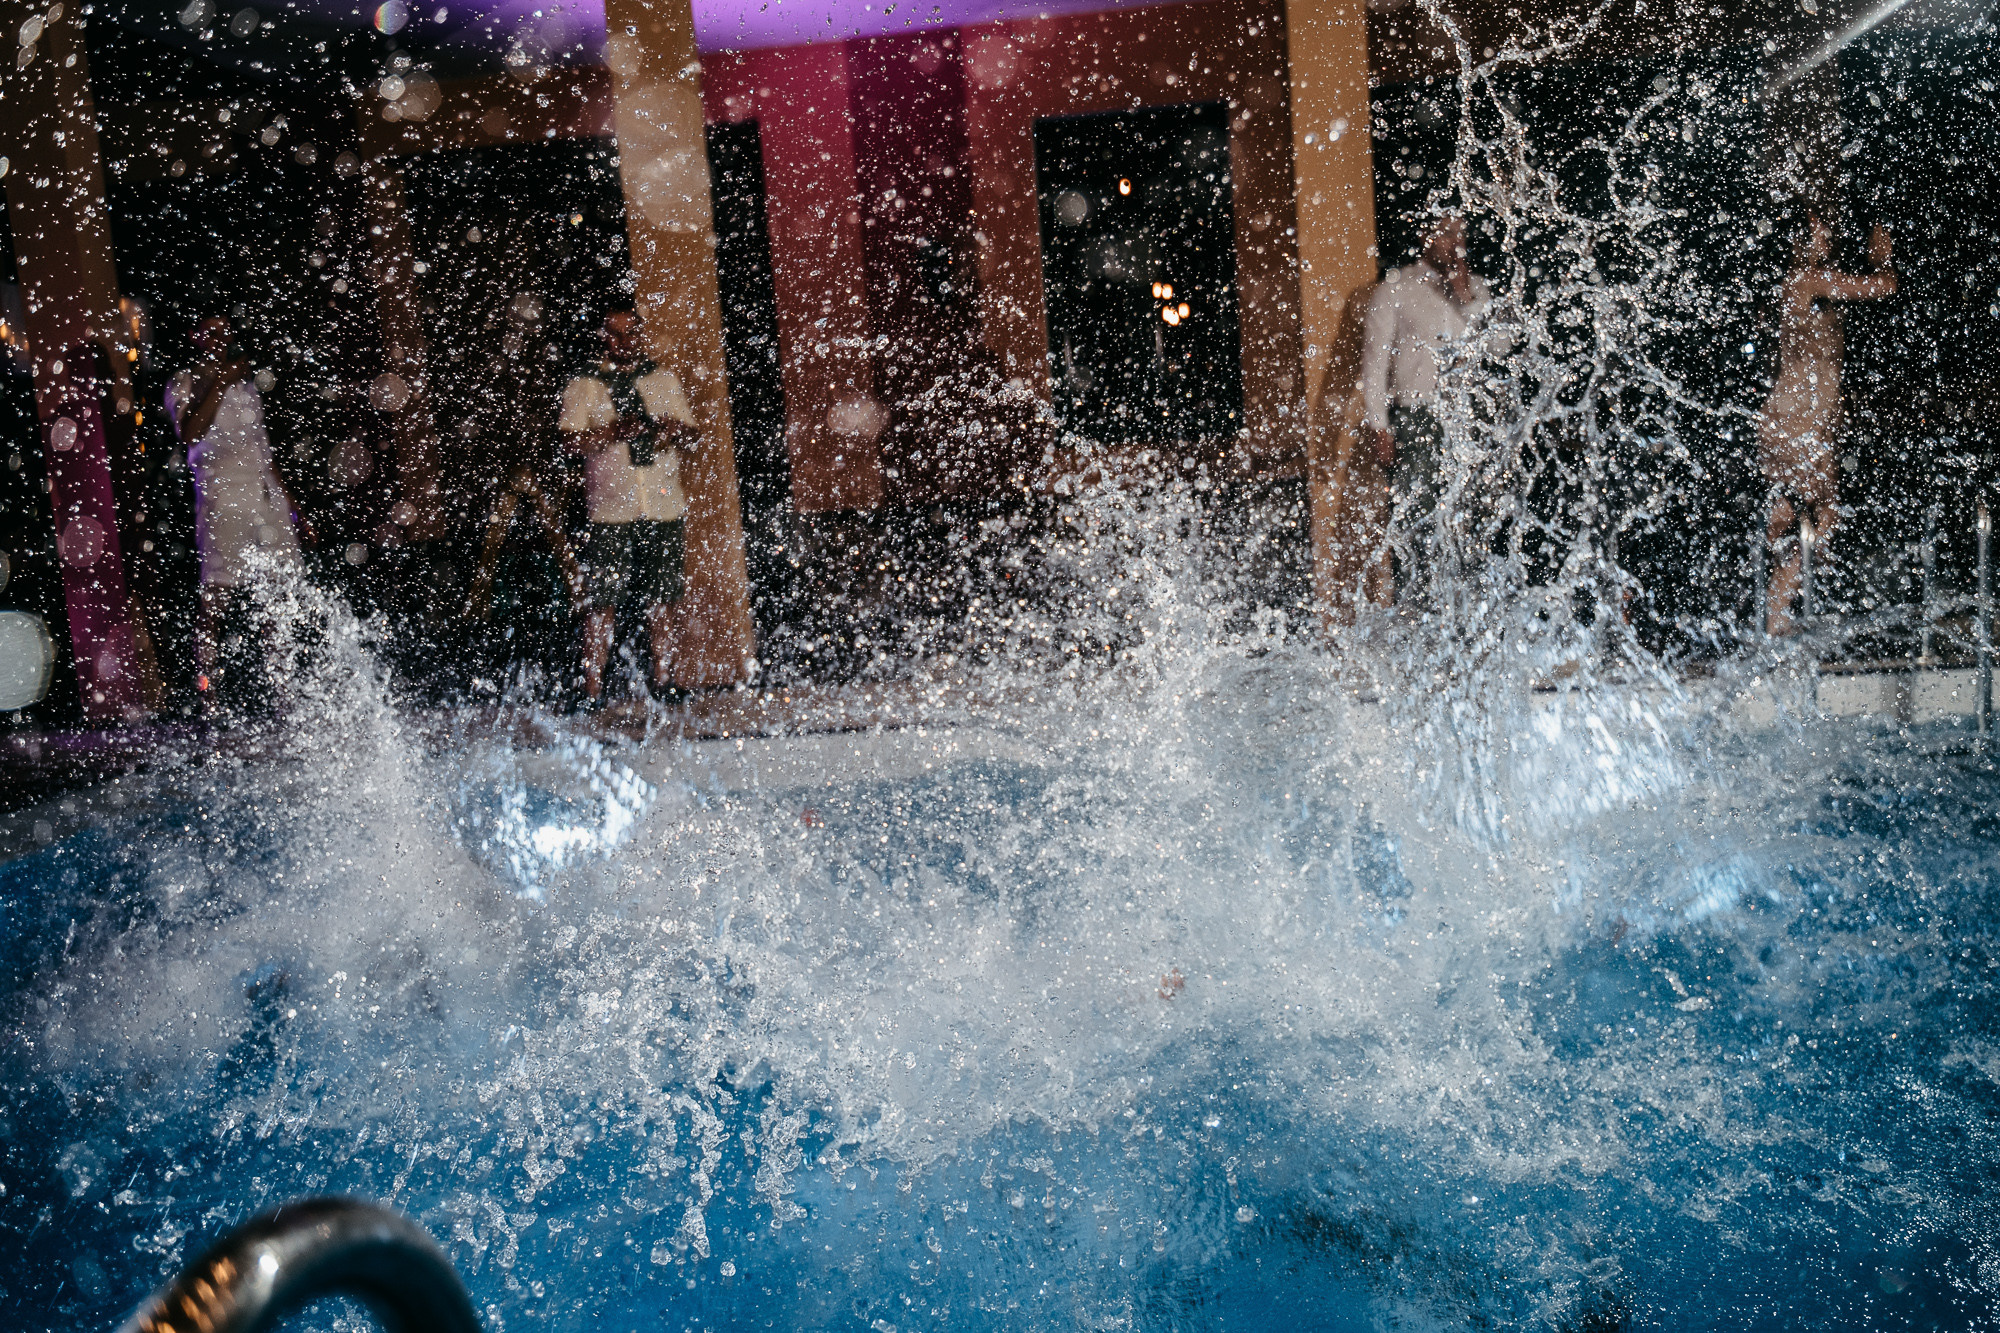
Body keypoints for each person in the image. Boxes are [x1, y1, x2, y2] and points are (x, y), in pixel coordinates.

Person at [1759, 215, 1896, 634]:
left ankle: (1779, 613)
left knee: (1810, 522)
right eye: (1817, 229)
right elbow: (1883, 287)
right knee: (1813, 519)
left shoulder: (1813, 287)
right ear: (1797, 242)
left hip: (1808, 428)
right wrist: (1882, 254)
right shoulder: (1804, 281)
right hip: (1793, 425)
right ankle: (1775, 616)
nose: (1828, 235)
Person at [165, 315, 310, 708]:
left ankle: (284, 691)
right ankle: (208, 694)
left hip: (265, 501)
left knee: (275, 598)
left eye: (224, 330)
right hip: (222, 501)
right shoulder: (185, 382)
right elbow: (190, 433)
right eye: (209, 331)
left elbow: (263, 449)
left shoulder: (245, 385)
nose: (219, 338)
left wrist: (291, 504)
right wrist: (222, 381)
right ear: (193, 335)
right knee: (216, 599)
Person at [558, 307, 698, 705]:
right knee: (602, 599)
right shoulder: (585, 385)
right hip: (611, 507)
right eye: (615, 335)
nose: (624, 342)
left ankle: (665, 677)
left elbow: (693, 436)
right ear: (603, 337)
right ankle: (591, 689)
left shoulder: (662, 379)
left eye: (630, 334)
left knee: (663, 594)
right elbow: (569, 443)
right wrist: (613, 430)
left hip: (662, 502)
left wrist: (674, 429)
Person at [1358, 214, 1491, 605]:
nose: (1454, 242)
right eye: (1446, 233)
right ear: (1425, 236)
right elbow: (1374, 362)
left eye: (1460, 235)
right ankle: (1417, 613)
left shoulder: (1477, 291)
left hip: (1469, 419)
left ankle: (1467, 610)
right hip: (1417, 419)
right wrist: (1380, 426)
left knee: (1470, 518)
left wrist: (1466, 298)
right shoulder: (1396, 289)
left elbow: (1499, 349)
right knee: (1418, 521)